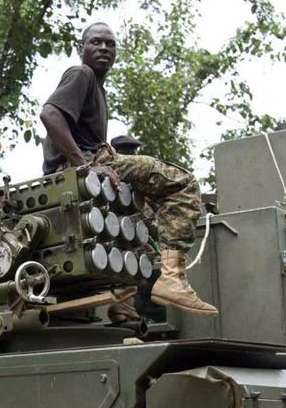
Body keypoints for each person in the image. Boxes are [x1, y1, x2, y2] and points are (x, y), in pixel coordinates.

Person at [40, 22, 217, 316]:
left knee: (142, 222)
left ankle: (122, 301)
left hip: (93, 162)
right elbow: (49, 114)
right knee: (181, 184)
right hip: (88, 163)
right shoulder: (80, 74)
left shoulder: (97, 87)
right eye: (95, 42)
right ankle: (172, 280)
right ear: (80, 48)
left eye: (110, 44)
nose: (104, 48)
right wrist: (85, 167)